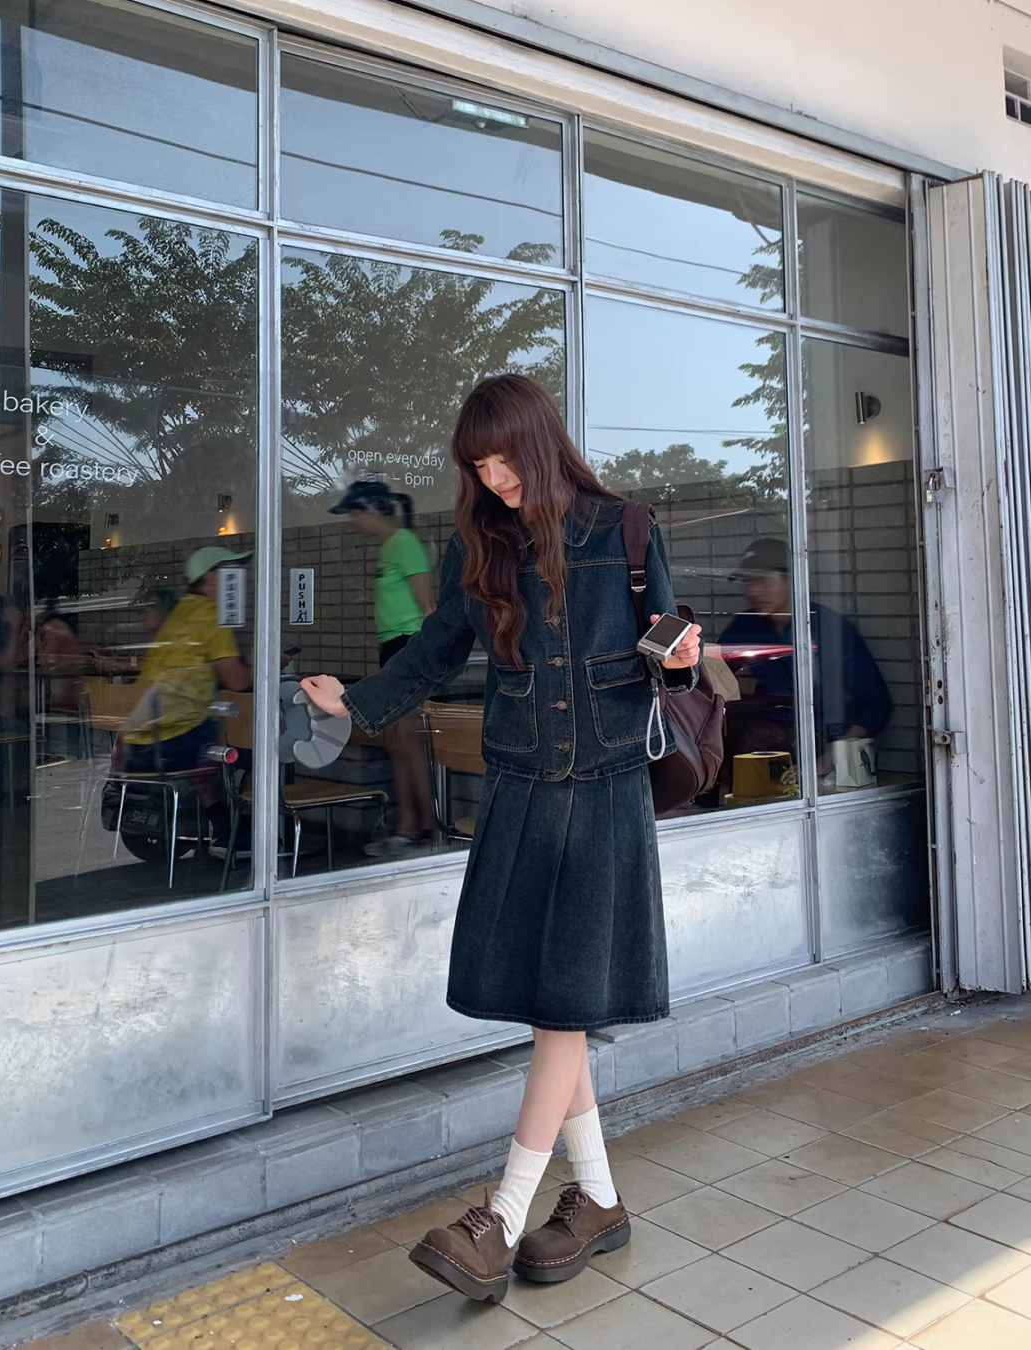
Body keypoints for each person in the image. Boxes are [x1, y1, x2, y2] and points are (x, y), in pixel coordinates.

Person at [300, 375, 701, 1305]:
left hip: (603, 791)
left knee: (563, 1005)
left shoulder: (627, 530)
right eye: (478, 466)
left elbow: (667, 651)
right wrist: (356, 701)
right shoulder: (479, 544)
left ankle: (504, 1215)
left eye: (504, 458)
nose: (494, 478)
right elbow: (438, 647)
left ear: (540, 440)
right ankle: (597, 1199)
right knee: (553, 999)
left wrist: (680, 658)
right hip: (521, 790)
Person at [717, 536, 892, 781]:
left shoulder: (828, 628)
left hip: (819, 744)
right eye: (748, 582)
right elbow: (715, 676)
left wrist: (827, 760)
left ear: (791, 580)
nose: (753, 591)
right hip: (759, 740)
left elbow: (876, 707)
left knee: (754, 737)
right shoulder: (745, 626)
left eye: (763, 580)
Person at [118, 547, 252, 850]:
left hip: (139, 742)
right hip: (172, 739)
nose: (239, 580)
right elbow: (237, 681)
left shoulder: (180, 613)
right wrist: (265, 664)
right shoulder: (211, 616)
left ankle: (221, 829)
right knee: (259, 754)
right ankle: (243, 835)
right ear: (211, 579)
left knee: (211, 742)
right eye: (232, 573)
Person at [329, 479, 436, 857]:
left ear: (372, 510)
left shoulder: (404, 543)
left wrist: (425, 659)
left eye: (355, 513)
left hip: (409, 645)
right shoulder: (389, 547)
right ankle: (410, 824)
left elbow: (428, 606)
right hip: (391, 647)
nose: (353, 522)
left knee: (405, 739)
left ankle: (421, 826)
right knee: (395, 741)